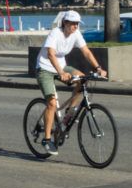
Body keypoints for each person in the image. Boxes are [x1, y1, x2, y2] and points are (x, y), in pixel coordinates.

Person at [35, 10, 107, 156]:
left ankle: (69, 113)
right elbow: (50, 54)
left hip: (61, 67)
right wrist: (61, 73)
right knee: (52, 103)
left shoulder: (76, 34)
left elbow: (86, 52)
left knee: (82, 79)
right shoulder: (56, 33)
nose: (75, 26)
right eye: (72, 24)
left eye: (77, 24)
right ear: (65, 23)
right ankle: (47, 139)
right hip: (45, 68)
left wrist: (98, 68)